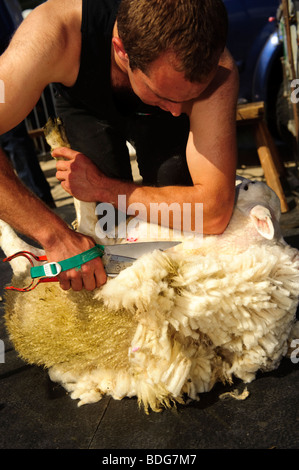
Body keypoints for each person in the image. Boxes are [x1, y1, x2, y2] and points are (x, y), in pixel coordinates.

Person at [0, 0, 239, 291]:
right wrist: (55, 236)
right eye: (164, 95)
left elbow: (213, 211)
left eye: (189, 97)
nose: (177, 110)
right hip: (86, 101)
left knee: (181, 218)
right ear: (121, 50)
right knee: (106, 226)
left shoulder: (217, 67)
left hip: (151, 110)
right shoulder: (52, 33)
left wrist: (103, 186)